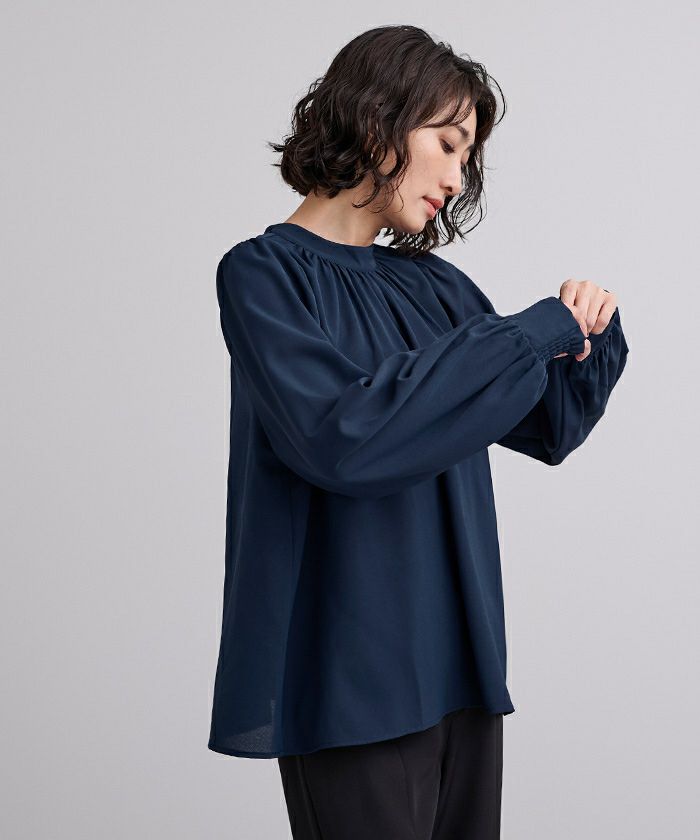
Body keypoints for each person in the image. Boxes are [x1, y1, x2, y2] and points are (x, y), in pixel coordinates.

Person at [208, 24, 629, 839]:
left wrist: (589, 336)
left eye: (467, 156)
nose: (457, 176)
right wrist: (525, 334)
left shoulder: (434, 289)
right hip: (350, 683)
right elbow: (344, 439)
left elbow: (548, 424)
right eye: (447, 143)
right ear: (378, 118)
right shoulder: (263, 274)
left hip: (461, 671)